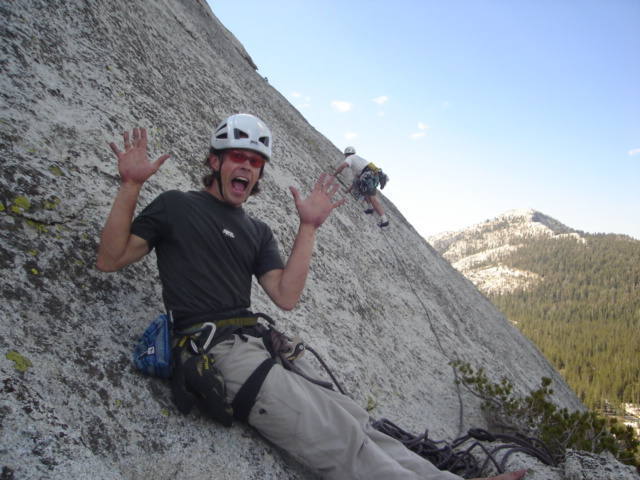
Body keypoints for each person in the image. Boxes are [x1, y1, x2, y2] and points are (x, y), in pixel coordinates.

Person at [96, 113, 527, 480]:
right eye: (237, 157)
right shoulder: (176, 206)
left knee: (354, 420)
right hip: (217, 354)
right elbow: (111, 258)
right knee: (335, 437)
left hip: (255, 347)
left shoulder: (256, 231)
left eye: (255, 162)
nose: (246, 167)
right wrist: (131, 185)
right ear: (215, 162)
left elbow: (284, 294)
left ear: (260, 174)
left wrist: (309, 228)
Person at [333, 146, 390, 228]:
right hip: (369, 176)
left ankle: (384, 220)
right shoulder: (358, 161)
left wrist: (334, 174)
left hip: (369, 176)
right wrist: (349, 190)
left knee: (373, 198)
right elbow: (356, 179)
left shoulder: (350, 158)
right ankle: (370, 208)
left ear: (346, 154)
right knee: (364, 191)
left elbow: (343, 165)